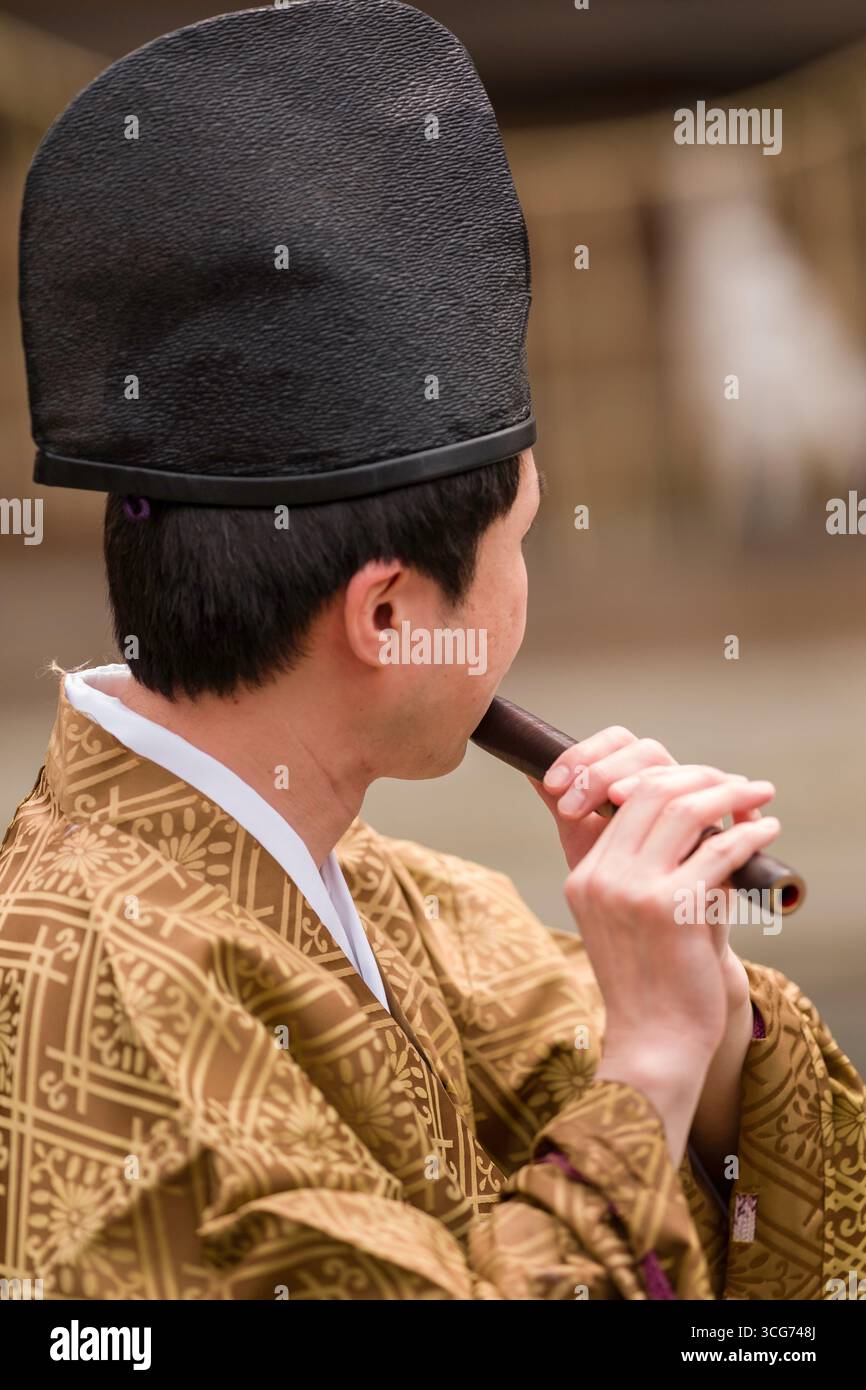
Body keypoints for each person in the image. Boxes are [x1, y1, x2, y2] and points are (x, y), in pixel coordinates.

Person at [2, 2, 863, 1300]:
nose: (524, 590)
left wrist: (693, 998)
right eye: (518, 538)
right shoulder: (77, 976)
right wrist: (645, 1064)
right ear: (390, 613)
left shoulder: (398, 894)